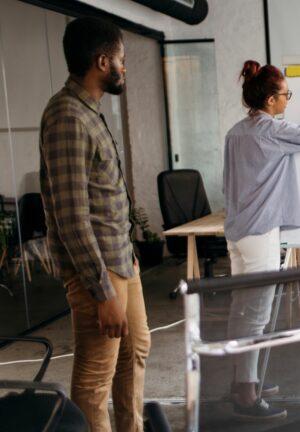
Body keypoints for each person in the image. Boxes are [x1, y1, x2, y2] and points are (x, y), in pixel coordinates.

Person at [39, 17, 150, 432]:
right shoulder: (68, 116)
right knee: (94, 376)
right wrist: (102, 292)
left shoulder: (90, 112)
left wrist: (130, 262)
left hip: (123, 261)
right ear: (103, 62)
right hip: (98, 273)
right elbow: (71, 217)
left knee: (135, 351)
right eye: (121, 59)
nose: (124, 67)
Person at [223, 61, 300, 420]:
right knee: (255, 313)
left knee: (241, 309)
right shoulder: (271, 131)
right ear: (271, 99)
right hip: (260, 233)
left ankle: (243, 379)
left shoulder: (236, 132)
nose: (289, 100)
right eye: (286, 94)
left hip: (238, 232)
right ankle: (246, 395)